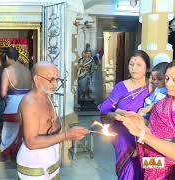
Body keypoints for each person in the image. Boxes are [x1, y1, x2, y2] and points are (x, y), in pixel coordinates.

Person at [16, 61, 89, 180]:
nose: (55, 84)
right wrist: (66, 135)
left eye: (57, 79)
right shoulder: (30, 103)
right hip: (35, 165)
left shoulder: (47, 96)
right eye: (51, 79)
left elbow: (51, 123)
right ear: (36, 79)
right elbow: (31, 142)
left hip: (50, 160)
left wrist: (57, 126)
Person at [97, 50, 150, 180]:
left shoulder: (153, 87)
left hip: (147, 136)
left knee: (150, 169)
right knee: (128, 169)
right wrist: (115, 114)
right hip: (124, 137)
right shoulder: (121, 87)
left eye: (138, 65)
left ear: (147, 67)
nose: (134, 68)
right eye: (131, 64)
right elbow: (104, 112)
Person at [116, 61, 175, 179]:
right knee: (134, 165)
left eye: (174, 80)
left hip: (171, 171)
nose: (168, 84)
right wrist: (140, 124)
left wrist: (142, 135)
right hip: (153, 162)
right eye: (167, 78)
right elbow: (154, 131)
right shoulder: (161, 104)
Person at [0, 47, 31, 160]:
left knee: (8, 132)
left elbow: (3, 93)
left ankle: (7, 154)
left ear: (7, 57)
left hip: (13, 106)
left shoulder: (7, 71)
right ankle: (20, 154)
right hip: (27, 105)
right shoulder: (27, 70)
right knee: (24, 130)